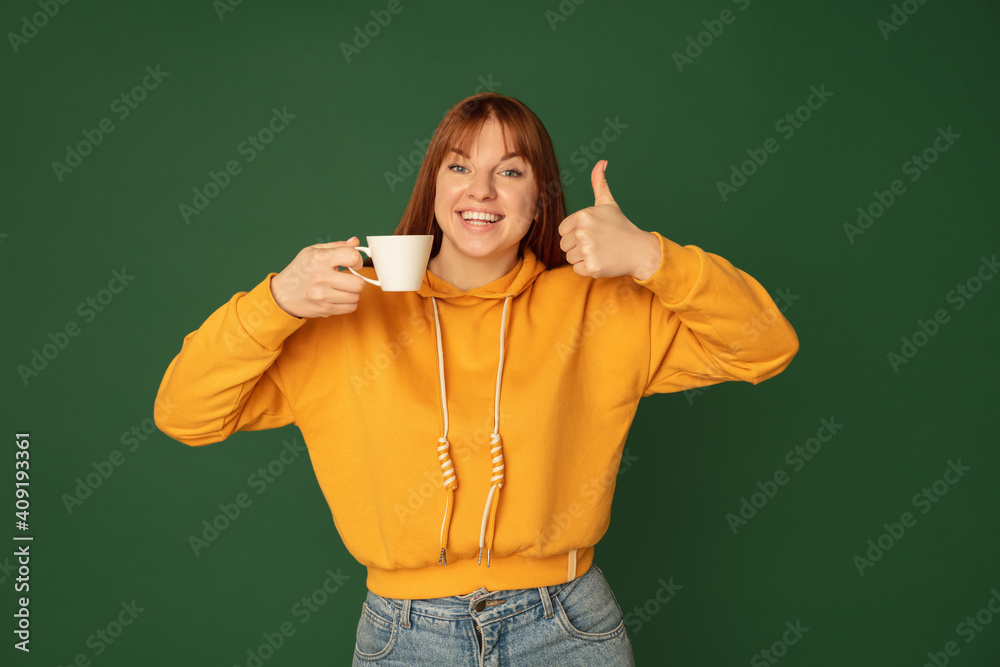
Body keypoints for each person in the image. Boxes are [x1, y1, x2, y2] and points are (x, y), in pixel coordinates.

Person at [154, 92, 799, 666]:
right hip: (405, 637)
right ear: (433, 187)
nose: (481, 191)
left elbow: (766, 347)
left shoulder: (597, 307)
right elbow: (185, 413)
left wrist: (652, 257)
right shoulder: (345, 313)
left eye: (509, 171)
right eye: (460, 166)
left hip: (568, 627)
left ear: (538, 193)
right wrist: (277, 300)